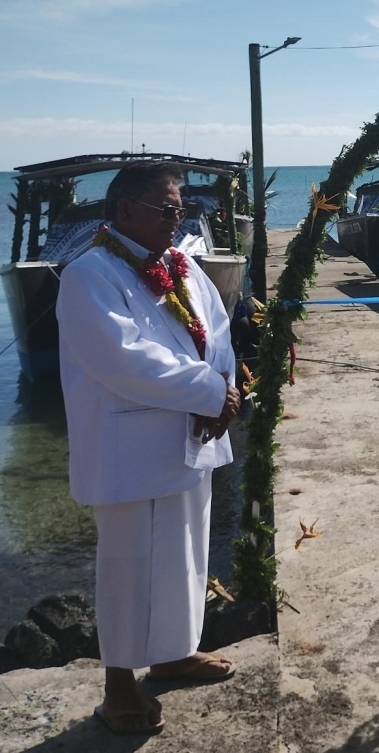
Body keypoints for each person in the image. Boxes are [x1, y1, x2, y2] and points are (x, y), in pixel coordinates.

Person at [56, 161, 242, 735]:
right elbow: (123, 357)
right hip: (129, 446)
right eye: (166, 209)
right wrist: (210, 392)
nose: (176, 218)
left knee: (186, 553)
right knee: (128, 565)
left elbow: (218, 331)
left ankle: (172, 654)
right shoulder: (89, 274)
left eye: (182, 209)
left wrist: (224, 389)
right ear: (125, 210)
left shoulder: (183, 266)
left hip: (190, 435)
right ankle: (118, 685)